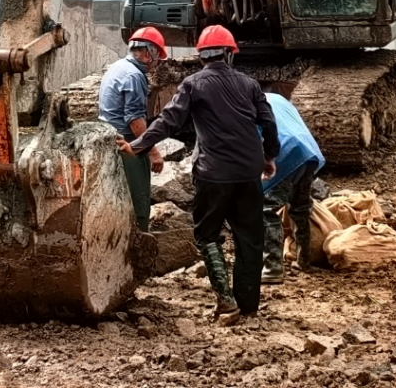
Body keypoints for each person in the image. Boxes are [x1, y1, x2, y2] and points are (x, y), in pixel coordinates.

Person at [116, 25, 279, 320]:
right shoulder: (250, 84)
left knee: (206, 236)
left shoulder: (193, 84)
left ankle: (226, 300)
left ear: (202, 56)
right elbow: (268, 124)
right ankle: (248, 306)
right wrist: (268, 156)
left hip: (212, 174)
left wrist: (137, 146)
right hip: (247, 172)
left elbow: (168, 121)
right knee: (250, 239)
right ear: (230, 54)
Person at [98, 26, 167, 232]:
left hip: (107, 138)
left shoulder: (117, 67)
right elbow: (135, 120)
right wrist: (153, 152)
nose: (155, 64)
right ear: (149, 53)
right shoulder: (135, 76)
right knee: (138, 201)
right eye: (156, 58)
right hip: (127, 143)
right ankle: (139, 242)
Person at [260, 92, 325, 284]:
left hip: (285, 150)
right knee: (300, 207)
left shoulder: (246, 103)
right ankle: (304, 260)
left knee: (267, 209)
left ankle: (272, 267)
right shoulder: (276, 98)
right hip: (308, 150)